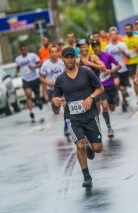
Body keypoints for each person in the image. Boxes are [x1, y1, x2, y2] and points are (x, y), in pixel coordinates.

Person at [52, 47, 104, 188]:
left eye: (71, 57)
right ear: (62, 59)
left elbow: (100, 88)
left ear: (75, 58)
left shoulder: (86, 72)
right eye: (66, 57)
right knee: (79, 144)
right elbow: (55, 100)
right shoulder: (60, 79)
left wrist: (91, 97)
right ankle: (86, 176)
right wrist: (55, 102)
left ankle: (90, 147)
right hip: (73, 118)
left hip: (90, 115)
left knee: (98, 148)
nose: (69, 59)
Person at [92, 40, 121, 137]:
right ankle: (109, 127)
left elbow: (119, 65)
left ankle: (116, 95)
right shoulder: (92, 59)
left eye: (97, 46)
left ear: (100, 46)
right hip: (101, 87)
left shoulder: (107, 55)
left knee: (112, 108)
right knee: (104, 106)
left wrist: (111, 71)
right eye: (94, 47)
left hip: (110, 84)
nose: (96, 48)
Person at [105, 26, 131, 112]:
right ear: (109, 36)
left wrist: (122, 51)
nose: (113, 36)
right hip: (114, 69)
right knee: (116, 83)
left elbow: (129, 57)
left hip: (123, 68)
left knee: (124, 89)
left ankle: (124, 101)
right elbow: (105, 59)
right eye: (111, 34)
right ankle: (116, 94)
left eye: (115, 34)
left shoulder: (122, 45)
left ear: (117, 35)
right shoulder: (108, 47)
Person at [16, 44, 43, 123]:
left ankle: (38, 100)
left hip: (34, 78)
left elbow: (40, 63)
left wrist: (34, 66)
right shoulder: (18, 59)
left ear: (26, 49)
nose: (23, 50)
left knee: (37, 93)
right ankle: (31, 112)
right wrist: (17, 72)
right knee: (28, 95)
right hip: (26, 79)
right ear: (20, 51)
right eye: (22, 49)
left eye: (25, 49)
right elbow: (17, 67)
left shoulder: (32, 56)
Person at [122, 23, 138, 108]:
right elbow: (124, 52)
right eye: (126, 29)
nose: (128, 30)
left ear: (132, 29)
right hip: (130, 63)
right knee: (135, 80)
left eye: (129, 29)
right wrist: (124, 53)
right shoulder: (123, 40)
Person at [39, 45, 65, 115]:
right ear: (49, 54)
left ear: (58, 53)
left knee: (66, 105)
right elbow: (41, 77)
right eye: (52, 52)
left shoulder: (62, 62)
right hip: (52, 89)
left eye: (55, 51)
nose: (54, 53)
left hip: (63, 87)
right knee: (56, 110)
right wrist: (48, 82)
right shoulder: (45, 65)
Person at [38, 36, 52, 102]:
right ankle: (45, 95)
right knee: (44, 82)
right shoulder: (40, 50)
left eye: (47, 41)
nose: (46, 42)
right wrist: (43, 60)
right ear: (42, 42)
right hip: (44, 68)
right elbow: (39, 61)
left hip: (52, 66)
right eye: (45, 41)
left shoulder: (51, 48)